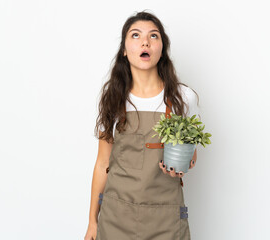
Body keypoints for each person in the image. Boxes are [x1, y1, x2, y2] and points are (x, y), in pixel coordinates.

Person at [84, 10, 201, 240]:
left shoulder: (183, 98)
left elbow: (192, 156)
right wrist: (92, 223)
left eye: (153, 36)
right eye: (135, 35)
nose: (145, 41)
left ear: (162, 49)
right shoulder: (114, 97)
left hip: (166, 220)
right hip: (116, 217)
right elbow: (102, 163)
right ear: (125, 51)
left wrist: (183, 163)